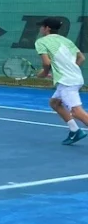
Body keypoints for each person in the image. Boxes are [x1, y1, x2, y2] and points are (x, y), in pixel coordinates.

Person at [35, 17, 87, 145]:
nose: (41, 28)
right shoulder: (67, 41)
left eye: (42, 26)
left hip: (67, 82)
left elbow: (47, 63)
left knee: (76, 111)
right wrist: (66, 71)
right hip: (75, 77)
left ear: (47, 28)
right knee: (54, 103)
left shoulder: (41, 42)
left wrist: (44, 74)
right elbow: (81, 58)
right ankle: (75, 131)